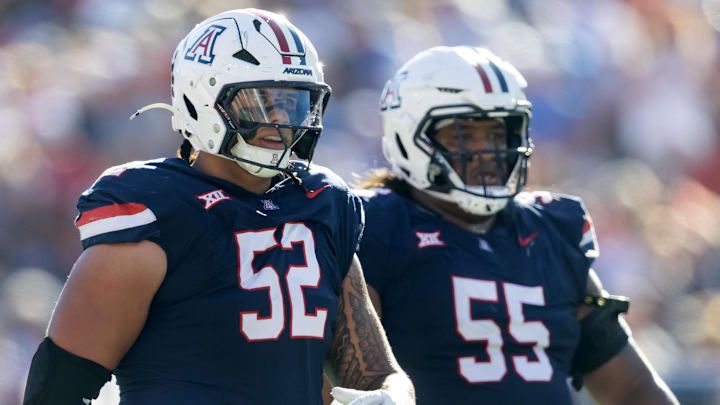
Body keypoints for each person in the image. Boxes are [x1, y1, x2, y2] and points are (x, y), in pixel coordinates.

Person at [22, 9, 414, 405]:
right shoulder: (156, 212)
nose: (279, 122)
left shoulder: (322, 204)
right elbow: (57, 389)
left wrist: (390, 397)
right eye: (260, 103)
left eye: (292, 104)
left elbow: (377, 372)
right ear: (202, 97)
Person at [354, 46, 679, 404]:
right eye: (463, 134)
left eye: (497, 134)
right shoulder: (374, 225)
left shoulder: (552, 231)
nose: (487, 152)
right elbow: (337, 368)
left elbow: (631, 387)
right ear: (410, 132)